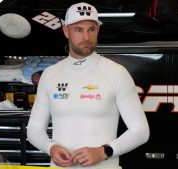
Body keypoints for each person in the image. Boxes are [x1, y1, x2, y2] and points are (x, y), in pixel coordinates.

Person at [27, 2, 150, 169]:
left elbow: (141, 131)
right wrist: (51, 148)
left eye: (91, 29)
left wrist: (103, 151)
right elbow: (34, 129)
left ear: (98, 31)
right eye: (78, 29)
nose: (86, 37)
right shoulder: (50, 74)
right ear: (66, 31)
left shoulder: (117, 73)